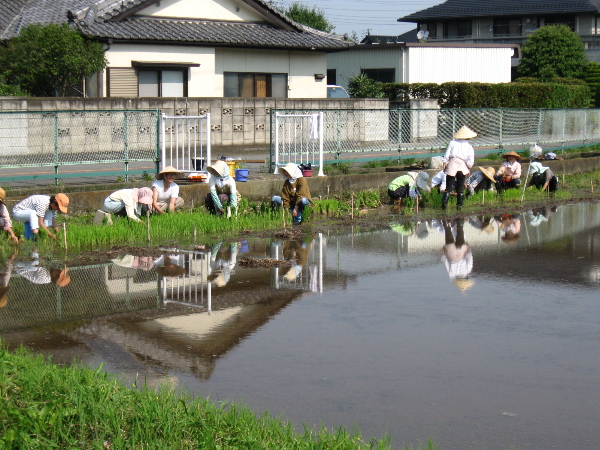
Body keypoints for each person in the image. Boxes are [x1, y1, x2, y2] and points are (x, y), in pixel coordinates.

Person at [442, 126, 476, 211]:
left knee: (448, 187)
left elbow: (447, 154)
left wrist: (444, 162)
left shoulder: (452, 143)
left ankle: (444, 206)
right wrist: (468, 167)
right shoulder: (469, 146)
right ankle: (459, 206)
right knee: (460, 188)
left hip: (452, 163)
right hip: (462, 165)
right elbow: (470, 160)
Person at [441, 218, 474, 292]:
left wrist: (468, 249)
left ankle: (459, 219)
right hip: (451, 254)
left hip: (461, 251)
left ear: (466, 278)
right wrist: (443, 254)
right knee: (447, 231)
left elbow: (469, 258)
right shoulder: (452, 275)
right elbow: (446, 263)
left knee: (460, 230)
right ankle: (445, 219)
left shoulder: (468, 270)